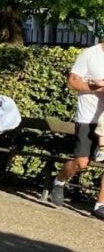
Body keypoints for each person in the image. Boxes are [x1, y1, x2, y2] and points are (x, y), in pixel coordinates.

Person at [49, 35, 104, 219]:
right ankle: (59, 181)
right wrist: (95, 87)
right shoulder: (90, 54)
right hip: (88, 117)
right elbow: (72, 81)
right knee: (81, 162)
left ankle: (100, 205)